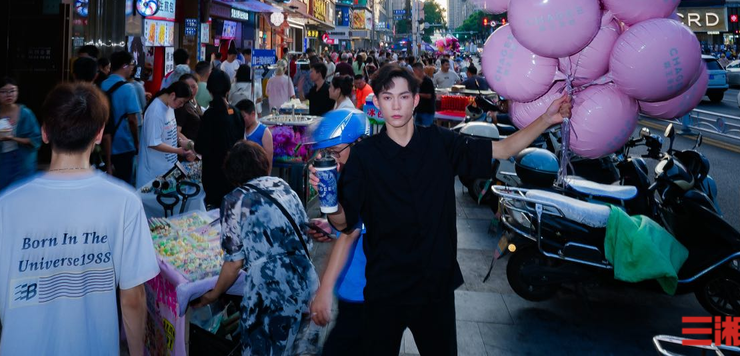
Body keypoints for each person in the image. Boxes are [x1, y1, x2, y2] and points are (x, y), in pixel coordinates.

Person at [321, 63, 569, 355]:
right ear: (377, 103)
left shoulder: (440, 143)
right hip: (385, 288)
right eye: (387, 98)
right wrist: (330, 202)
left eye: (403, 97)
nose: (396, 105)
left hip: (434, 287)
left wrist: (546, 119)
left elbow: (502, 149)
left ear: (415, 101)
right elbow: (344, 223)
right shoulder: (364, 157)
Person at [0, 82, 160, 355]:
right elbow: (133, 298)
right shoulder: (125, 202)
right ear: (99, 134)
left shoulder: (2, 208)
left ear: (45, 132)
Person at [192, 141, 318, 356]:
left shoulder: (235, 200)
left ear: (232, 172)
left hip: (270, 293)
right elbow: (307, 237)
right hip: (307, 282)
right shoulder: (283, 186)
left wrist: (214, 294)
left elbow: (234, 263)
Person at [305, 109, 371, 355]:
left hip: (365, 289)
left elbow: (351, 232)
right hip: (351, 285)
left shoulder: (365, 178)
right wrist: (330, 226)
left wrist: (323, 290)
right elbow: (348, 225)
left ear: (359, 143)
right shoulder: (348, 174)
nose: (329, 158)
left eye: (334, 152)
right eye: (325, 152)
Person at [0, 77, 41, 192]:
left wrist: (13, 138)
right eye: (3, 91)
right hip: (1, 160)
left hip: (23, 160)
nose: (9, 94)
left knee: (23, 193)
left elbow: (35, 140)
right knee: (4, 193)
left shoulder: (26, 114)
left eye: (12, 91)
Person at [195, 70, 244, 208]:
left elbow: (200, 147)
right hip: (235, 174)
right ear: (228, 89)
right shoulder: (236, 112)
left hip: (213, 176)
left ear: (209, 90)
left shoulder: (209, 115)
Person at [136, 81, 194, 190]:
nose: (181, 106)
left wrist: (183, 142)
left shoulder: (169, 106)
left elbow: (171, 131)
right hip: (153, 172)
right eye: (181, 102)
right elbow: (153, 143)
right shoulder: (155, 112)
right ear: (173, 95)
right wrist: (178, 151)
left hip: (167, 168)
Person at [101, 51, 142, 184]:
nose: (132, 68)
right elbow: (132, 120)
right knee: (125, 183)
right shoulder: (128, 88)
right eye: (131, 65)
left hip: (103, 143)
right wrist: (137, 142)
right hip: (123, 143)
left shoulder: (102, 84)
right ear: (124, 66)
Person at [240, 99, 273, 170]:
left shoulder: (264, 131)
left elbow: (269, 159)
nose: (241, 119)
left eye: (243, 117)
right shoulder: (240, 129)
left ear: (253, 114)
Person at [175, 73, 204, 142]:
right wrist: (190, 145)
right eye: (187, 87)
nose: (191, 90)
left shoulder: (194, 101)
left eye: (193, 87)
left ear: (198, 86)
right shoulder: (181, 106)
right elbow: (176, 132)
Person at [412, 62, 436, 127]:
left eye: (414, 71)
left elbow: (429, 95)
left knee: (426, 131)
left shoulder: (427, 81)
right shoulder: (417, 81)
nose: (413, 73)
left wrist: (417, 94)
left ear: (419, 70)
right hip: (418, 110)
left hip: (427, 111)